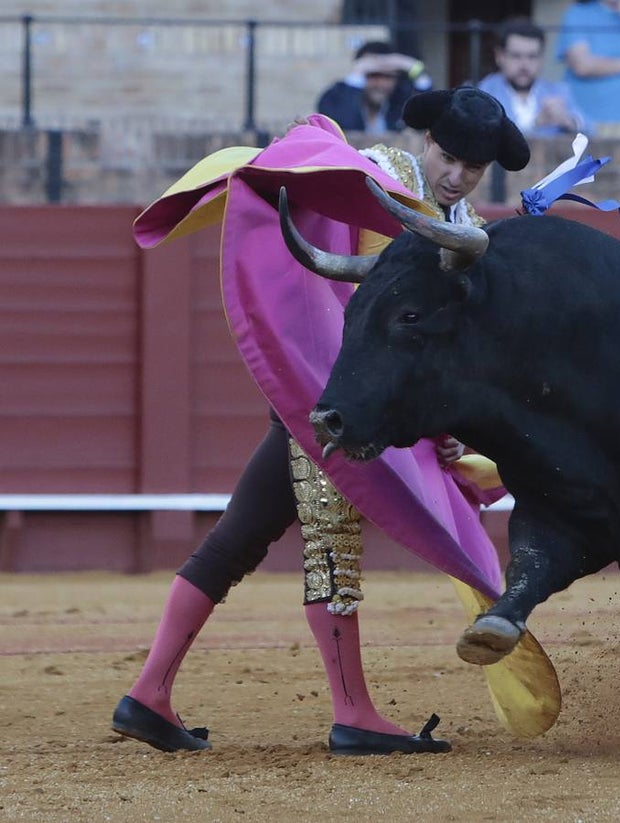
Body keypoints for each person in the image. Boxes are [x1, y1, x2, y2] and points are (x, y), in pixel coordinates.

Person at [113, 88, 535, 756]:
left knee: (239, 537)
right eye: (449, 156)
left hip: (353, 398)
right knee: (328, 545)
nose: (456, 173)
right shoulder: (379, 173)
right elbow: (324, 202)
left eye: (472, 166)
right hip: (334, 394)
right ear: (427, 140)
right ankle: (352, 712)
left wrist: (444, 418)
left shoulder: (463, 217)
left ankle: (148, 694)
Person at [478, 17, 591, 137]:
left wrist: (568, 121)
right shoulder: (485, 92)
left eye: (532, 56)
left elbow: (591, 129)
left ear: (541, 58)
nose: (524, 64)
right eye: (516, 56)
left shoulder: (557, 91)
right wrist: (535, 123)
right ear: (500, 56)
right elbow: (482, 132)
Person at [316, 40, 434, 134]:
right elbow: (346, 124)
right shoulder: (336, 96)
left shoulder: (401, 98)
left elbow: (428, 116)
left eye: (388, 76)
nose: (381, 84)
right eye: (373, 75)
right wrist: (357, 76)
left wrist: (414, 67)